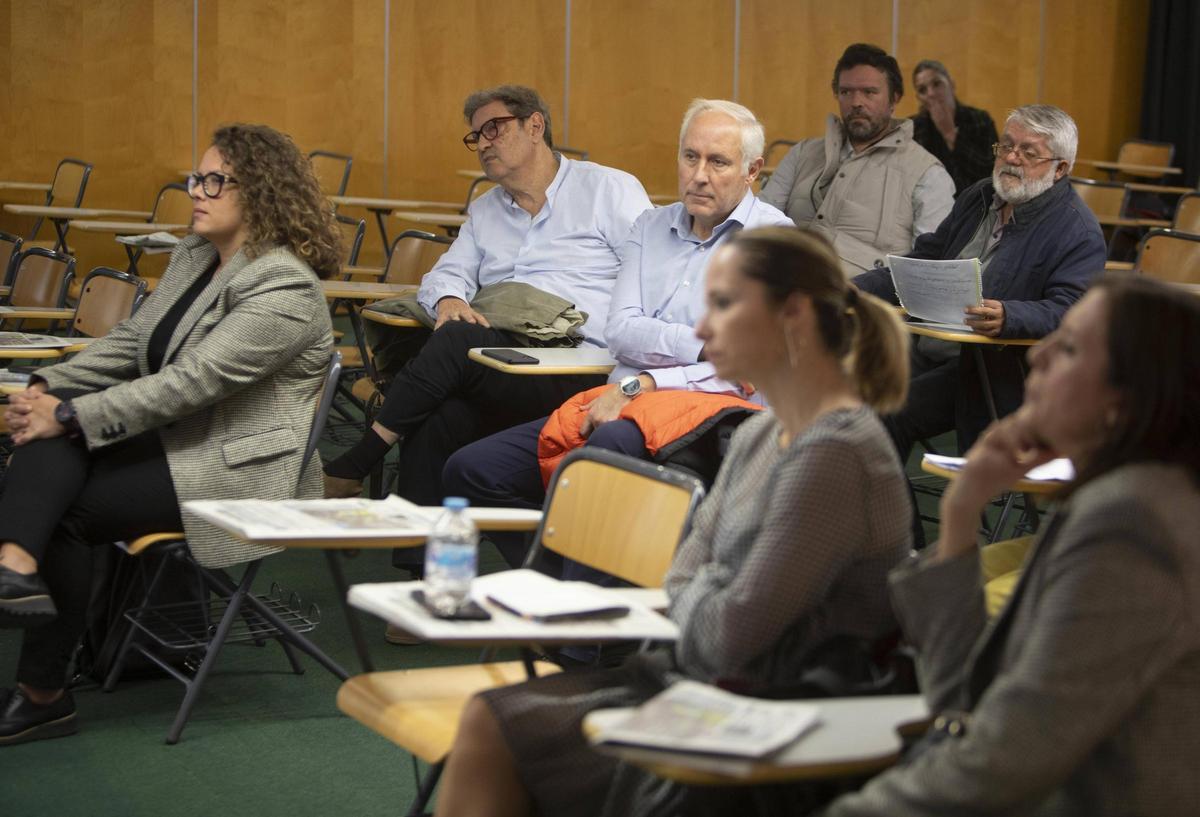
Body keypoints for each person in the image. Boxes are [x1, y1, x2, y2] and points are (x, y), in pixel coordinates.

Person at [432, 227, 914, 817]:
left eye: (724, 305)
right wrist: (706, 587)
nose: (702, 329)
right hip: (704, 685)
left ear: (791, 316)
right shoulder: (764, 431)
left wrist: (699, 587)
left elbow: (728, 637)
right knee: (493, 718)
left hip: (776, 719)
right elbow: (690, 583)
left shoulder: (835, 449)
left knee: (504, 727)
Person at [0, 123, 340, 745]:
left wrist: (72, 416)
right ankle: (14, 564)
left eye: (215, 181)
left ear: (261, 192)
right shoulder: (195, 256)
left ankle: (42, 691)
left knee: (68, 500)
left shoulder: (286, 286)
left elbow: (192, 382)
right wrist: (47, 390)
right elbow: (131, 345)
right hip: (173, 439)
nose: (197, 192)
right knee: (53, 435)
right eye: (196, 178)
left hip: (234, 468)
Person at [825, 274, 1200, 816]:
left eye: (1068, 348)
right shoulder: (1125, 497)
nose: (1038, 356)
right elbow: (965, 709)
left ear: (1127, 399)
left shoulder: (1134, 523)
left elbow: (1001, 765)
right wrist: (961, 513)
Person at [442, 98, 793, 568]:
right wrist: (701, 344)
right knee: (471, 470)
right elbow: (622, 331)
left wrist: (645, 381)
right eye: (690, 157)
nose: (699, 175)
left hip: (720, 417)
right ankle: (561, 589)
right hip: (623, 401)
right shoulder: (651, 226)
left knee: (605, 452)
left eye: (719, 162)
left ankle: (580, 633)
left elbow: (743, 371)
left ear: (753, 170)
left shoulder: (776, 241)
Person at [322, 85, 652, 509]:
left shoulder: (608, 190)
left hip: (582, 363)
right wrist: (448, 301)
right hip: (507, 363)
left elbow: (654, 273)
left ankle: (355, 463)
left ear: (535, 126)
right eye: (476, 136)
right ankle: (423, 566)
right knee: (437, 416)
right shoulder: (486, 210)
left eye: (493, 129)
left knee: (457, 341)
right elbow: (445, 275)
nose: (482, 144)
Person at [855, 104, 1107, 469]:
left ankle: (896, 528)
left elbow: (1074, 311)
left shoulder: (1077, 231)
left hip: (994, 371)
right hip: (930, 345)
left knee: (884, 413)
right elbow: (924, 261)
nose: (1011, 158)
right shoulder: (979, 197)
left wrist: (1011, 316)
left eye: (1028, 152)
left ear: (1060, 169)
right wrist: (850, 289)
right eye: (1006, 145)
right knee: (837, 395)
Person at [760, 43, 954, 276]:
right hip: (778, 288)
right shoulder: (803, 153)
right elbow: (758, 225)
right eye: (846, 92)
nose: (856, 102)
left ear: (894, 98)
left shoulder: (928, 174)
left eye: (869, 92)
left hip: (858, 303)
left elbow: (928, 271)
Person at [910, 59, 998, 195]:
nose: (931, 93)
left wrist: (950, 133)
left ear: (951, 84)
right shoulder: (914, 128)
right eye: (923, 90)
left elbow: (990, 173)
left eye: (937, 84)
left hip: (976, 205)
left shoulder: (980, 120)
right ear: (919, 97)